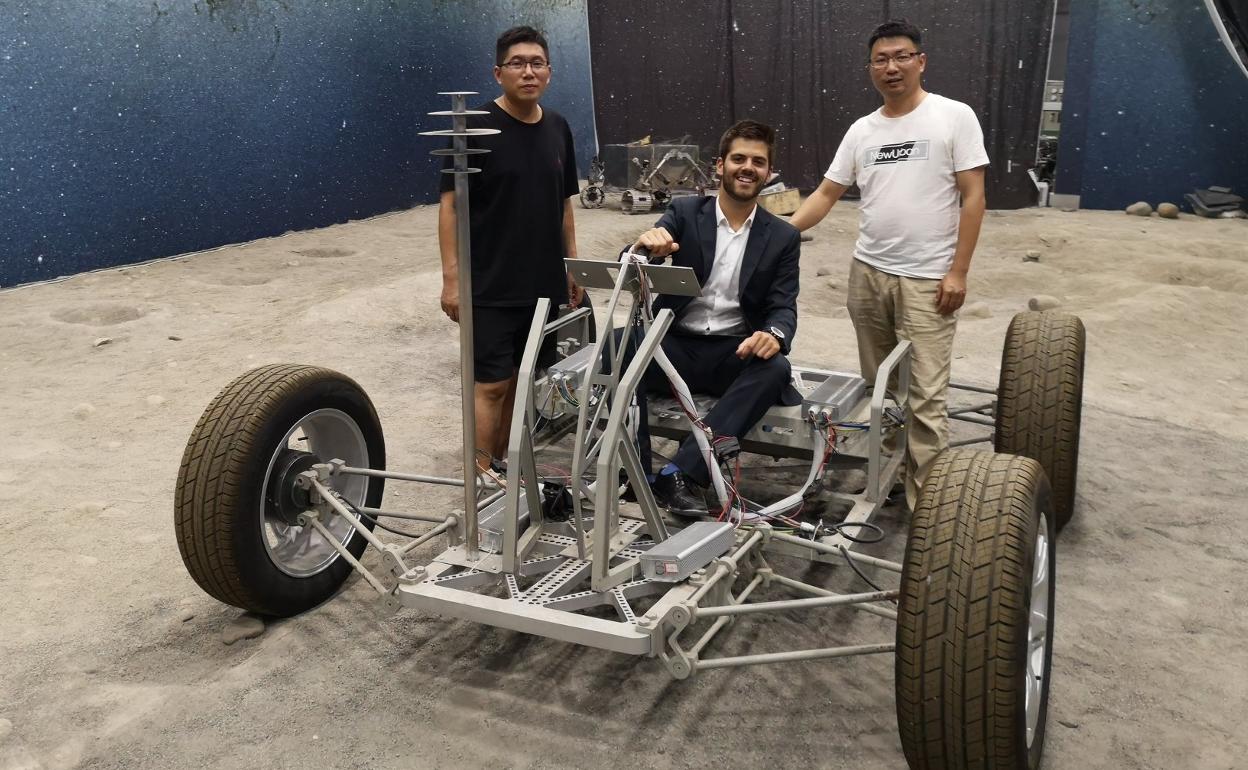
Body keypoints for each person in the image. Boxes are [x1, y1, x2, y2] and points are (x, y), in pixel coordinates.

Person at [790, 19, 988, 511]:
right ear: (870, 69)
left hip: (927, 280)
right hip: (869, 275)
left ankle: (931, 507)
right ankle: (888, 475)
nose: (891, 67)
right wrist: (773, 233)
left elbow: (974, 196)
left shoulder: (953, 117)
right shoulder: (864, 130)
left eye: (901, 57)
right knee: (881, 386)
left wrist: (958, 271)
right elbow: (827, 193)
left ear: (920, 61)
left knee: (924, 396)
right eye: (882, 59)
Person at [628, 120, 802, 517]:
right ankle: (633, 471)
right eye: (738, 158)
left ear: (768, 173)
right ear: (719, 166)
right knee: (620, 348)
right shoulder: (686, 212)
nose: (748, 167)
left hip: (732, 352)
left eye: (758, 162)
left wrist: (774, 334)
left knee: (775, 368)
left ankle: (684, 473)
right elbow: (633, 259)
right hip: (673, 346)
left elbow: (783, 306)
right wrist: (644, 246)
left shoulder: (782, 236)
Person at [438, 25, 583, 477]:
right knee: (492, 385)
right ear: (498, 72)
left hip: (542, 283)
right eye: (517, 63)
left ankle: (500, 464)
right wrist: (452, 279)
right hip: (491, 282)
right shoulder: (473, 127)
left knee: (524, 384)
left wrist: (571, 266)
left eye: (536, 63)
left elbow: (564, 204)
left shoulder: (558, 127)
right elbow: (450, 209)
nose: (528, 71)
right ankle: (479, 474)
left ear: (549, 72)